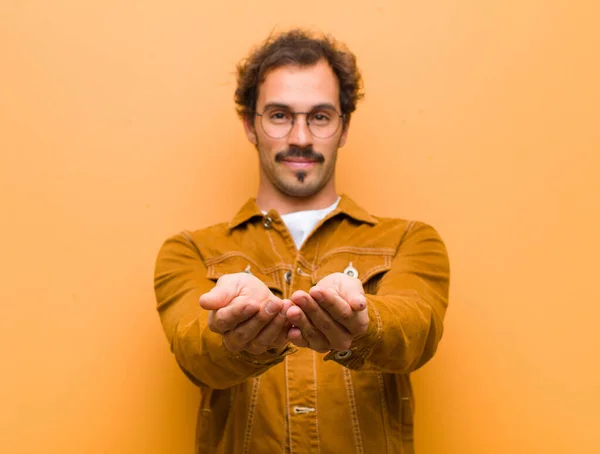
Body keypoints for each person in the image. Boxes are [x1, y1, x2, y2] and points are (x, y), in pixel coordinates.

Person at [154, 28, 450, 454]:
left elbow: (417, 329)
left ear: (343, 127)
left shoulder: (410, 240)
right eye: (279, 115)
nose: (300, 137)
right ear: (249, 125)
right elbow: (193, 353)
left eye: (320, 116)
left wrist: (363, 319)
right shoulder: (190, 251)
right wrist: (232, 330)